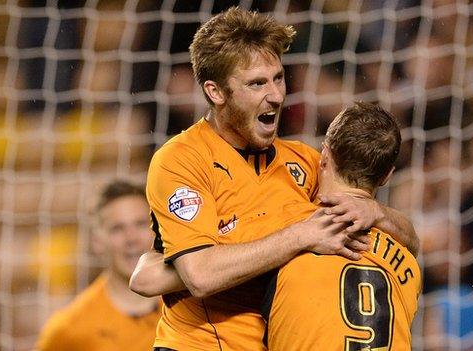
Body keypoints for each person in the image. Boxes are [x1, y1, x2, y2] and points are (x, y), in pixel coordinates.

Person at [142, 7, 417, 351]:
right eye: (257, 83)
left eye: (278, 78)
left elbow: (408, 242)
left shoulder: (304, 160)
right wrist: (299, 236)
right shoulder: (182, 159)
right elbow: (200, 275)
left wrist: (380, 213)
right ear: (216, 92)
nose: (275, 95)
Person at [261, 102, 421, 350]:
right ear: (387, 176)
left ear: (324, 157)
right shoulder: (408, 265)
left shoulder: (282, 228)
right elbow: (412, 241)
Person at [36, 180, 160, 351]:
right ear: (97, 242)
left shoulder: (190, 305)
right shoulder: (69, 330)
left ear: (158, 232)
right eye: (117, 228)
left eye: (140, 224)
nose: (131, 238)